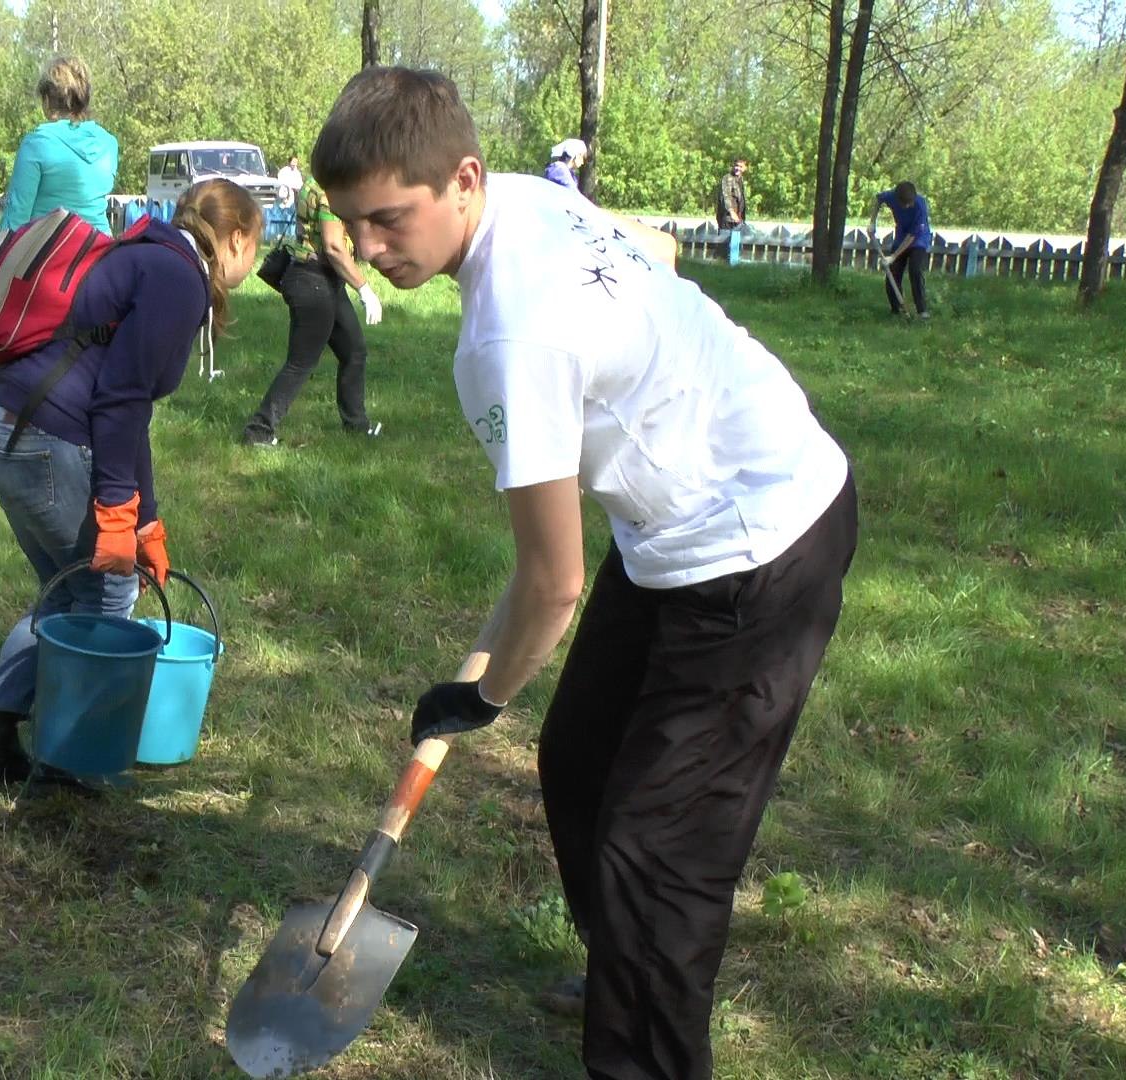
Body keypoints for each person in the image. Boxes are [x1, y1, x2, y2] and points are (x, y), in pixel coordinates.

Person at [311, 68, 858, 1080]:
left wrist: (479, 697)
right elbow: (655, 253)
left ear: (462, 179)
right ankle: (624, 969)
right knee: (579, 761)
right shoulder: (526, 195)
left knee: (657, 853)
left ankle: (644, 1038)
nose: (370, 251)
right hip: (676, 529)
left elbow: (553, 581)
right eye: (352, 226)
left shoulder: (509, 336)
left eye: (390, 221)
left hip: (761, 540)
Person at [0, 179, 262, 787]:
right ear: (235, 239)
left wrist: (146, 519)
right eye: (254, 245)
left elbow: (132, 408)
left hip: (5, 427)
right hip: (44, 439)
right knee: (105, 596)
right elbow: (119, 403)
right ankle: (70, 757)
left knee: (66, 591)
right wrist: (118, 516)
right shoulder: (179, 280)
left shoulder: (153, 255)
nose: (252, 261)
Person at [240, 173, 383, 447]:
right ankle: (258, 430)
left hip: (325, 280)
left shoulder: (316, 181)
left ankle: (356, 425)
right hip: (313, 280)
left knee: (353, 351)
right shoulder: (331, 190)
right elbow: (333, 246)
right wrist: (364, 289)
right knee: (301, 362)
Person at [0, 57, 118, 235]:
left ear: (47, 101)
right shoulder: (109, 144)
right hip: (99, 251)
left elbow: (16, 216)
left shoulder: (37, 144)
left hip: (49, 253)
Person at [877, 180, 932, 318]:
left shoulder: (920, 205)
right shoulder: (891, 196)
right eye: (907, 204)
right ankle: (897, 310)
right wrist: (872, 221)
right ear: (898, 201)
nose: (910, 205)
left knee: (915, 270)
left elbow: (912, 236)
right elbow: (878, 199)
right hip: (901, 237)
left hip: (918, 240)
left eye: (911, 202)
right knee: (893, 272)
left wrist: (893, 256)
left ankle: (922, 310)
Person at [716, 157, 748, 264]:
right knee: (724, 244)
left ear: (745, 168)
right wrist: (731, 212)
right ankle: (721, 264)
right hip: (728, 218)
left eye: (740, 166)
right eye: (736, 165)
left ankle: (731, 265)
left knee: (735, 245)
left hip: (738, 219)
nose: (737, 168)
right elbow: (725, 196)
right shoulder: (728, 178)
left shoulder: (740, 180)